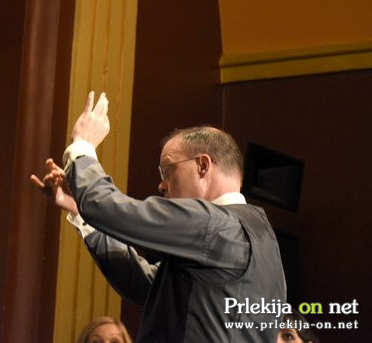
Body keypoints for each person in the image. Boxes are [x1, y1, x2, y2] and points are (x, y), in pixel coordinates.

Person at [31, 92, 286, 342]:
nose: (161, 185)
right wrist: (79, 208)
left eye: (168, 170)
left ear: (203, 166)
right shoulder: (260, 237)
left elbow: (113, 209)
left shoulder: (215, 224)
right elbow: (146, 285)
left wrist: (82, 146)